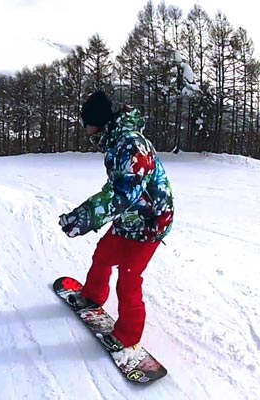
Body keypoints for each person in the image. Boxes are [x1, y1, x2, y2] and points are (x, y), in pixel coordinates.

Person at [58, 91, 174, 352]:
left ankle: (128, 334)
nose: (85, 130)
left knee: (129, 276)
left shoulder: (131, 145)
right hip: (131, 216)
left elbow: (123, 193)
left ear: (98, 122)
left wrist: (85, 216)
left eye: (86, 124)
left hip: (151, 221)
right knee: (103, 255)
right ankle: (93, 295)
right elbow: (121, 187)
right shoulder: (116, 140)